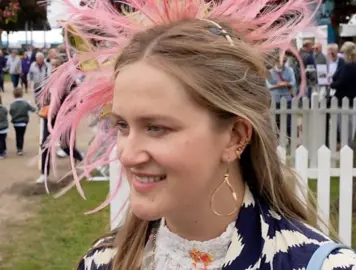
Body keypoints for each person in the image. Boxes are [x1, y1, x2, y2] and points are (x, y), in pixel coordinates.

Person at [42, 0, 356, 269]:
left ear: (235, 137)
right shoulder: (102, 261)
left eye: (156, 128)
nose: (127, 154)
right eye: (123, 125)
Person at [9, 88, 35, 155]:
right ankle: (20, 148)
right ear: (22, 94)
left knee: (17, 135)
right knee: (21, 135)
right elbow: (33, 109)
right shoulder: (25, 103)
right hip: (23, 122)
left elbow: (11, 112)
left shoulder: (12, 104)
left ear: (14, 95)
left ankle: (18, 148)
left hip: (15, 122)